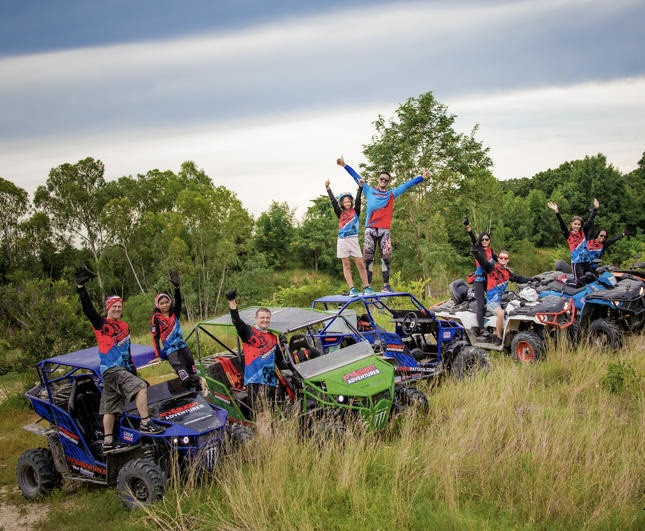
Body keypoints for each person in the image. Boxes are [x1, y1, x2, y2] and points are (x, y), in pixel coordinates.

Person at [75, 269, 163, 453]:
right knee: (140, 387)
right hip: (111, 369)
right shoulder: (101, 324)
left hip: (122, 369)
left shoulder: (125, 326)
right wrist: (81, 288)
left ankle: (108, 442)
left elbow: (126, 349)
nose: (116, 309)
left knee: (110, 408)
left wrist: (132, 368)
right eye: (113, 306)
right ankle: (145, 423)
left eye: (119, 306)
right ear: (108, 307)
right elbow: (88, 309)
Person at [336, 156, 428, 292]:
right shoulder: (369, 190)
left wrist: (421, 178)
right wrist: (345, 165)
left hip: (385, 230)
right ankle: (367, 287)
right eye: (381, 179)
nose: (383, 181)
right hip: (370, 229)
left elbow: (406, 185)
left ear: (388, 182)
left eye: (386, 180)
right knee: (368, 258)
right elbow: (356, 177)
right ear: (377, 180)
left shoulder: (391, 194)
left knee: (386, 258)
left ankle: (386, 286)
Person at [151, 272, 208, 398]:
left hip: (183, 347)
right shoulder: (156, 318)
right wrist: (158, 355)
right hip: (171, 351)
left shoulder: (174, 313)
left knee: (192, 371)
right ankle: (199, 380)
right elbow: (155, 337)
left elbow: (179, 301)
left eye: (166, 302)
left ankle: (199, 391)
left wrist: (177, 288)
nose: (165, 305)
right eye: (161, 303)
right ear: (157, 305)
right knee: (184, 376)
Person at [225, 289, 279, 413]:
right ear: (256, 319)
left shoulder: (273, 337)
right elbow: (237, 321)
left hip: (270, 381)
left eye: (267, 318)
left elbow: (279, 360)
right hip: (254, 381)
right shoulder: (249, 332)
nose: (265, 320)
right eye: (262, 318)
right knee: (260, 413)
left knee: (270, 413)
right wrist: (232, 302)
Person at [325, 178, 375, 296]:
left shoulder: (356, 211)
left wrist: (360, 187)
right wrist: (328, 189)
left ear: (351, 202)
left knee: (360, 264)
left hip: (353, 240)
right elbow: (333, 202)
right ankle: (352, 289)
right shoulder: (340, 213)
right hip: (342, 241)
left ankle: (367, 287)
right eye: (345, 201)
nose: (347, 203)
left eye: (349, 201)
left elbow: (358, 200)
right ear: (342, 203)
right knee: (346, 265)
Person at [472, 249, 532, 345]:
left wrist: (532, 279)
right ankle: (498, 337)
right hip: (492, 300)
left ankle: (517, 334)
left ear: (508, 260)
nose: (503, 259)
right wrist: (476, 254)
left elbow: (518, 278)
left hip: (504, 299)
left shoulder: (507, 272)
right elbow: (483, 262)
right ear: (498, 259)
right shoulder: (492, 268)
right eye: (501, 258)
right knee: (500, 314)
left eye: (505, 258)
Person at [547, 198, 599, 285]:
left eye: (579, 224)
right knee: (580, 284)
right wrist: (557, 212)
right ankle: (562, 280)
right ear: (571, 224)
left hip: (586, 262)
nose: (577, 226)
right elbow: (562, 224)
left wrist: (595, 209)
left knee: (592, 280)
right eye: (575, 224)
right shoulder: (569, 235)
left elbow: (590, 221)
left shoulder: (583, 233)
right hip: (577, 263)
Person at [464, 217, 497, 337]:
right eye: (482, 239)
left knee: (494, 300)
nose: (484, 241)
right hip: (479, 280)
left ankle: (493, 324)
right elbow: (473, 239)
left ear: (489, 240)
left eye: (486, 239)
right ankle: (481, 329)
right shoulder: (478, 249)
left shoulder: (491, 251)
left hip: (489, 279)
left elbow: (498, 261)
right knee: (481, 304)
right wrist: (468, 228)